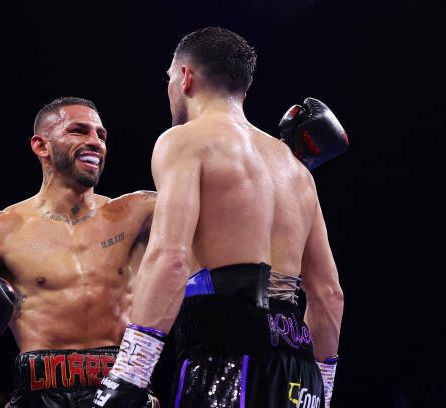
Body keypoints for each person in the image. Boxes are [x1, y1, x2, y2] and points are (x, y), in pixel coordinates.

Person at [93, 27, 345, 408]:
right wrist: (320, 392)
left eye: (168, 78)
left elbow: (170, 259)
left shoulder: (184, 141)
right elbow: (329, 295)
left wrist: (130, 375)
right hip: (298, 369)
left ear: (185, 77)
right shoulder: (297, 171)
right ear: (243, 90)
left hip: (225, 358)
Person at [0, 97, 161, 408]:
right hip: (40, 394)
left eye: (101, 135)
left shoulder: (139, 213)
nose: (95, 142)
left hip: (122, 387)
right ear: (41, 146)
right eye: (78, 131)